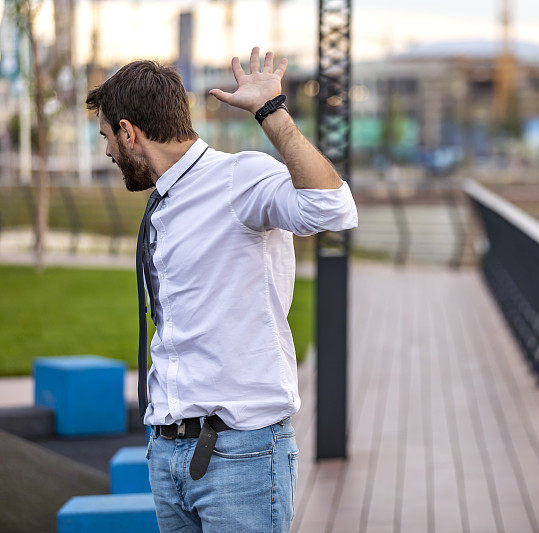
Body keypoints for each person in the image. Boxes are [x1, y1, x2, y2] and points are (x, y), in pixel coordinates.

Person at [86, 47, 357, 532]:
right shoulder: (165, 202)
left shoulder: (240, 178)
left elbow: (333, 209)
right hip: (168, 451)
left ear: (129, 132)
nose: (107, 150)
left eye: (107, 136)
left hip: (240, 457)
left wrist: (270, 112)